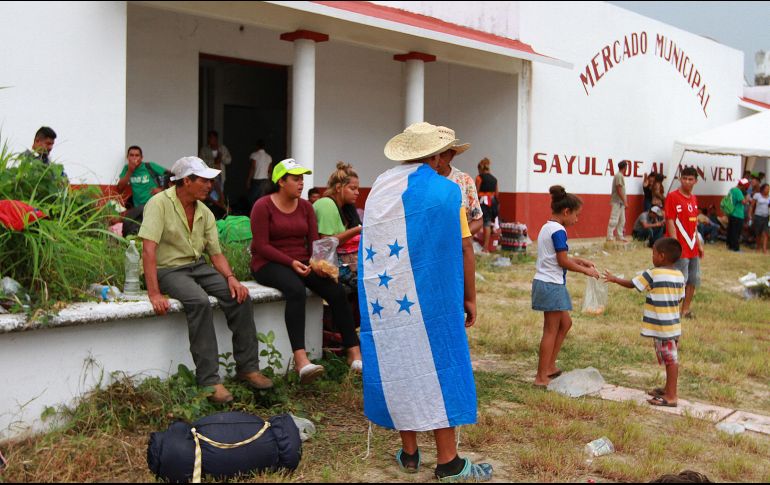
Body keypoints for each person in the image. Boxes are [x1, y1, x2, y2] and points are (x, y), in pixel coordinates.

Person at [361, 122, 492, 482]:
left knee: (402, 362)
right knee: (441, 365)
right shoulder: (446, 192)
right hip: (433, 295)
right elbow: (464, 246)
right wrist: (469, 297)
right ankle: (449, 461)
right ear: (434, 154)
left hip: (387, 298)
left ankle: (409, 453)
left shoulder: (380, 190)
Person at [138, 156, 273, 404]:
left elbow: (216, 253)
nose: (210, 185)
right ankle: (209, 381)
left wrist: (232, 278)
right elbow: (149, 250)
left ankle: (248, 367)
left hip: (197, 266)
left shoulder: (204, 210)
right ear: (186, 181)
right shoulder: (159, 204)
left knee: (240, 297)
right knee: (199, 302)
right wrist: (154, 293)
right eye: (204, 180)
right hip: (168, 269)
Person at [250, 158, 363, 384]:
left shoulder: (305, 207)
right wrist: (290, 262)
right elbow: (261, 245)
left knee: (336, 290)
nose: (301, 183)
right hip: (268, 263)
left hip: (302, 261)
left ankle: (354, 354)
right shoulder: (263, 206)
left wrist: (320, 265)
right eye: (295, 179)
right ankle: (301, 361)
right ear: (281, 182)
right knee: (295, 290)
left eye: (302, 178)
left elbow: (314, 243)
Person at [604, 237, 685, 408]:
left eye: (653, 253)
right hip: (673, 325)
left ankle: (671, 396)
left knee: (671, 360)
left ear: (661, 256)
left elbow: (633, 284)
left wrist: (615, 279)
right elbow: (679, 299)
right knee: (670, 357)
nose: (652, 257)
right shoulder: (679, 276)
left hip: (662, 327)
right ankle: (667, 389)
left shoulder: (653, 274)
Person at [533, 186, 600, 387]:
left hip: (548, 283)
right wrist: (585, 270)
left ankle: (550, 366)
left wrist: (580, 261)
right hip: (551, 284)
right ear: (566, 212)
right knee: (551, 330)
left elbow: (557, 257)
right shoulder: (559, 231)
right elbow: (562, 261)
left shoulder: (548, 227)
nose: (577, 220)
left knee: (565, 323)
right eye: (576, 215)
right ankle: (541, 376)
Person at [313, 162, 363, 290]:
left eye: (358, 189)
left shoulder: (346, 209)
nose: (357, 192)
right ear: (339, 187)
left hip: (340, 263)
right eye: (353, 188)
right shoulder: (326, 204)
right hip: (322, 265)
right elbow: (326, 242)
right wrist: (357, 230)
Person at [664, 166, 702, 319]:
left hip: (692, 247)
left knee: (693, 279)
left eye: (690, 179)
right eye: (684, 178)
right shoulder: (673, 197)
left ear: (695, 181)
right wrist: (675, 244)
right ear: (680, 179)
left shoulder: (693, 199)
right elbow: (670, 220)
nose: (687, 181)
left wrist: (699, 244)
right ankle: (672, 311)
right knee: (680, 280)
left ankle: (685, 310)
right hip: (681, 247)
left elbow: (694, 224)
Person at [436, 130, 483, 236]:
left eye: (443, 154)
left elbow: (478, 219)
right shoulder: (423, 181)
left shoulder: (464, 181)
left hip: (458, 247)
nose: (438, 159)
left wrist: (459, 237)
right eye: (434, 154)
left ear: (452, 155)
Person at [117, 146, 171, 236]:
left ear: (141, 158)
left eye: (137, 155)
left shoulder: (149, 166)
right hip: (138, 207)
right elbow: (120, 188)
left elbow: (171, 175)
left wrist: (162, 190)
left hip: (152, 204)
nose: (134, 158)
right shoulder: (126, 169)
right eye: (131, 155)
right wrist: (130, 171)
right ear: (127, 157)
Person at [199, 130, 231, 204]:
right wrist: (214, 163)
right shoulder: (204, 149)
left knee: (220, 194)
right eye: (210, 138)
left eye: (213, 138)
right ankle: (213, 207)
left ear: (216, 139)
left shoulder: (222, 148)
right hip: (209, 176)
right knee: (210, 194)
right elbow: (201, 162)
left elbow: (229, 160)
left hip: (220, 175)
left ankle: (219, 209)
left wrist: (221, 157)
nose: (211, 140)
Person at [475, 157, 499, 252]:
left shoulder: (479, 177)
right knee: (488, 223)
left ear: (480, 168)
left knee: (480, 222)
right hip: (492, 202)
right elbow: (497, 193)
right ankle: (487, 247)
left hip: (483, 201)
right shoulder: (494, 179)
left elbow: (476, 191)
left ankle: (482, 247)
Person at [725, 178, 750, 252]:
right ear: (743, 186)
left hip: (731, 213)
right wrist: (747, 198)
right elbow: (743, 202)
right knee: (736, 232)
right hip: (738, 214)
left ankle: (729, 246)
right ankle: (735, 248)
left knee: (731, 230)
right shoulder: (738, 191)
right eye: (745, 187)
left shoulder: (732, 190)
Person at [246, 140, 273, 207]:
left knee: (252, 199)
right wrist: (271, 182)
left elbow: (252, 168)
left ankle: (254, 214)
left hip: (256, 180)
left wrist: (248, 180)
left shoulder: (254, 155)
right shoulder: (269, 157)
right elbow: (270, 171)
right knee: (263, 200)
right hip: (265, 181)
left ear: (257, 146)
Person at [607, 160, 628, 242]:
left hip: (620, 202)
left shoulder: (619, 175)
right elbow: (619, 189)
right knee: (614, 219)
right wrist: (625, 201)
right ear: (625, 167)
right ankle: (610, 236)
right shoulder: (619, 176)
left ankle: (619, 235)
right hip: (617, 201)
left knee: (622, 220)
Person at [750, 183, 769, 254]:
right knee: (758, 233)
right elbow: (752, 206)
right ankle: (758, 247)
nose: (767, 190)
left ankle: (764, 249)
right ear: (763, 189)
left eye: (768, 189)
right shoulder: (757, 195)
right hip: (758, 216)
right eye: (766, 188)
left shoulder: (769, 197)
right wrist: (750, 215)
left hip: (766, 217)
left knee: (765, 233)